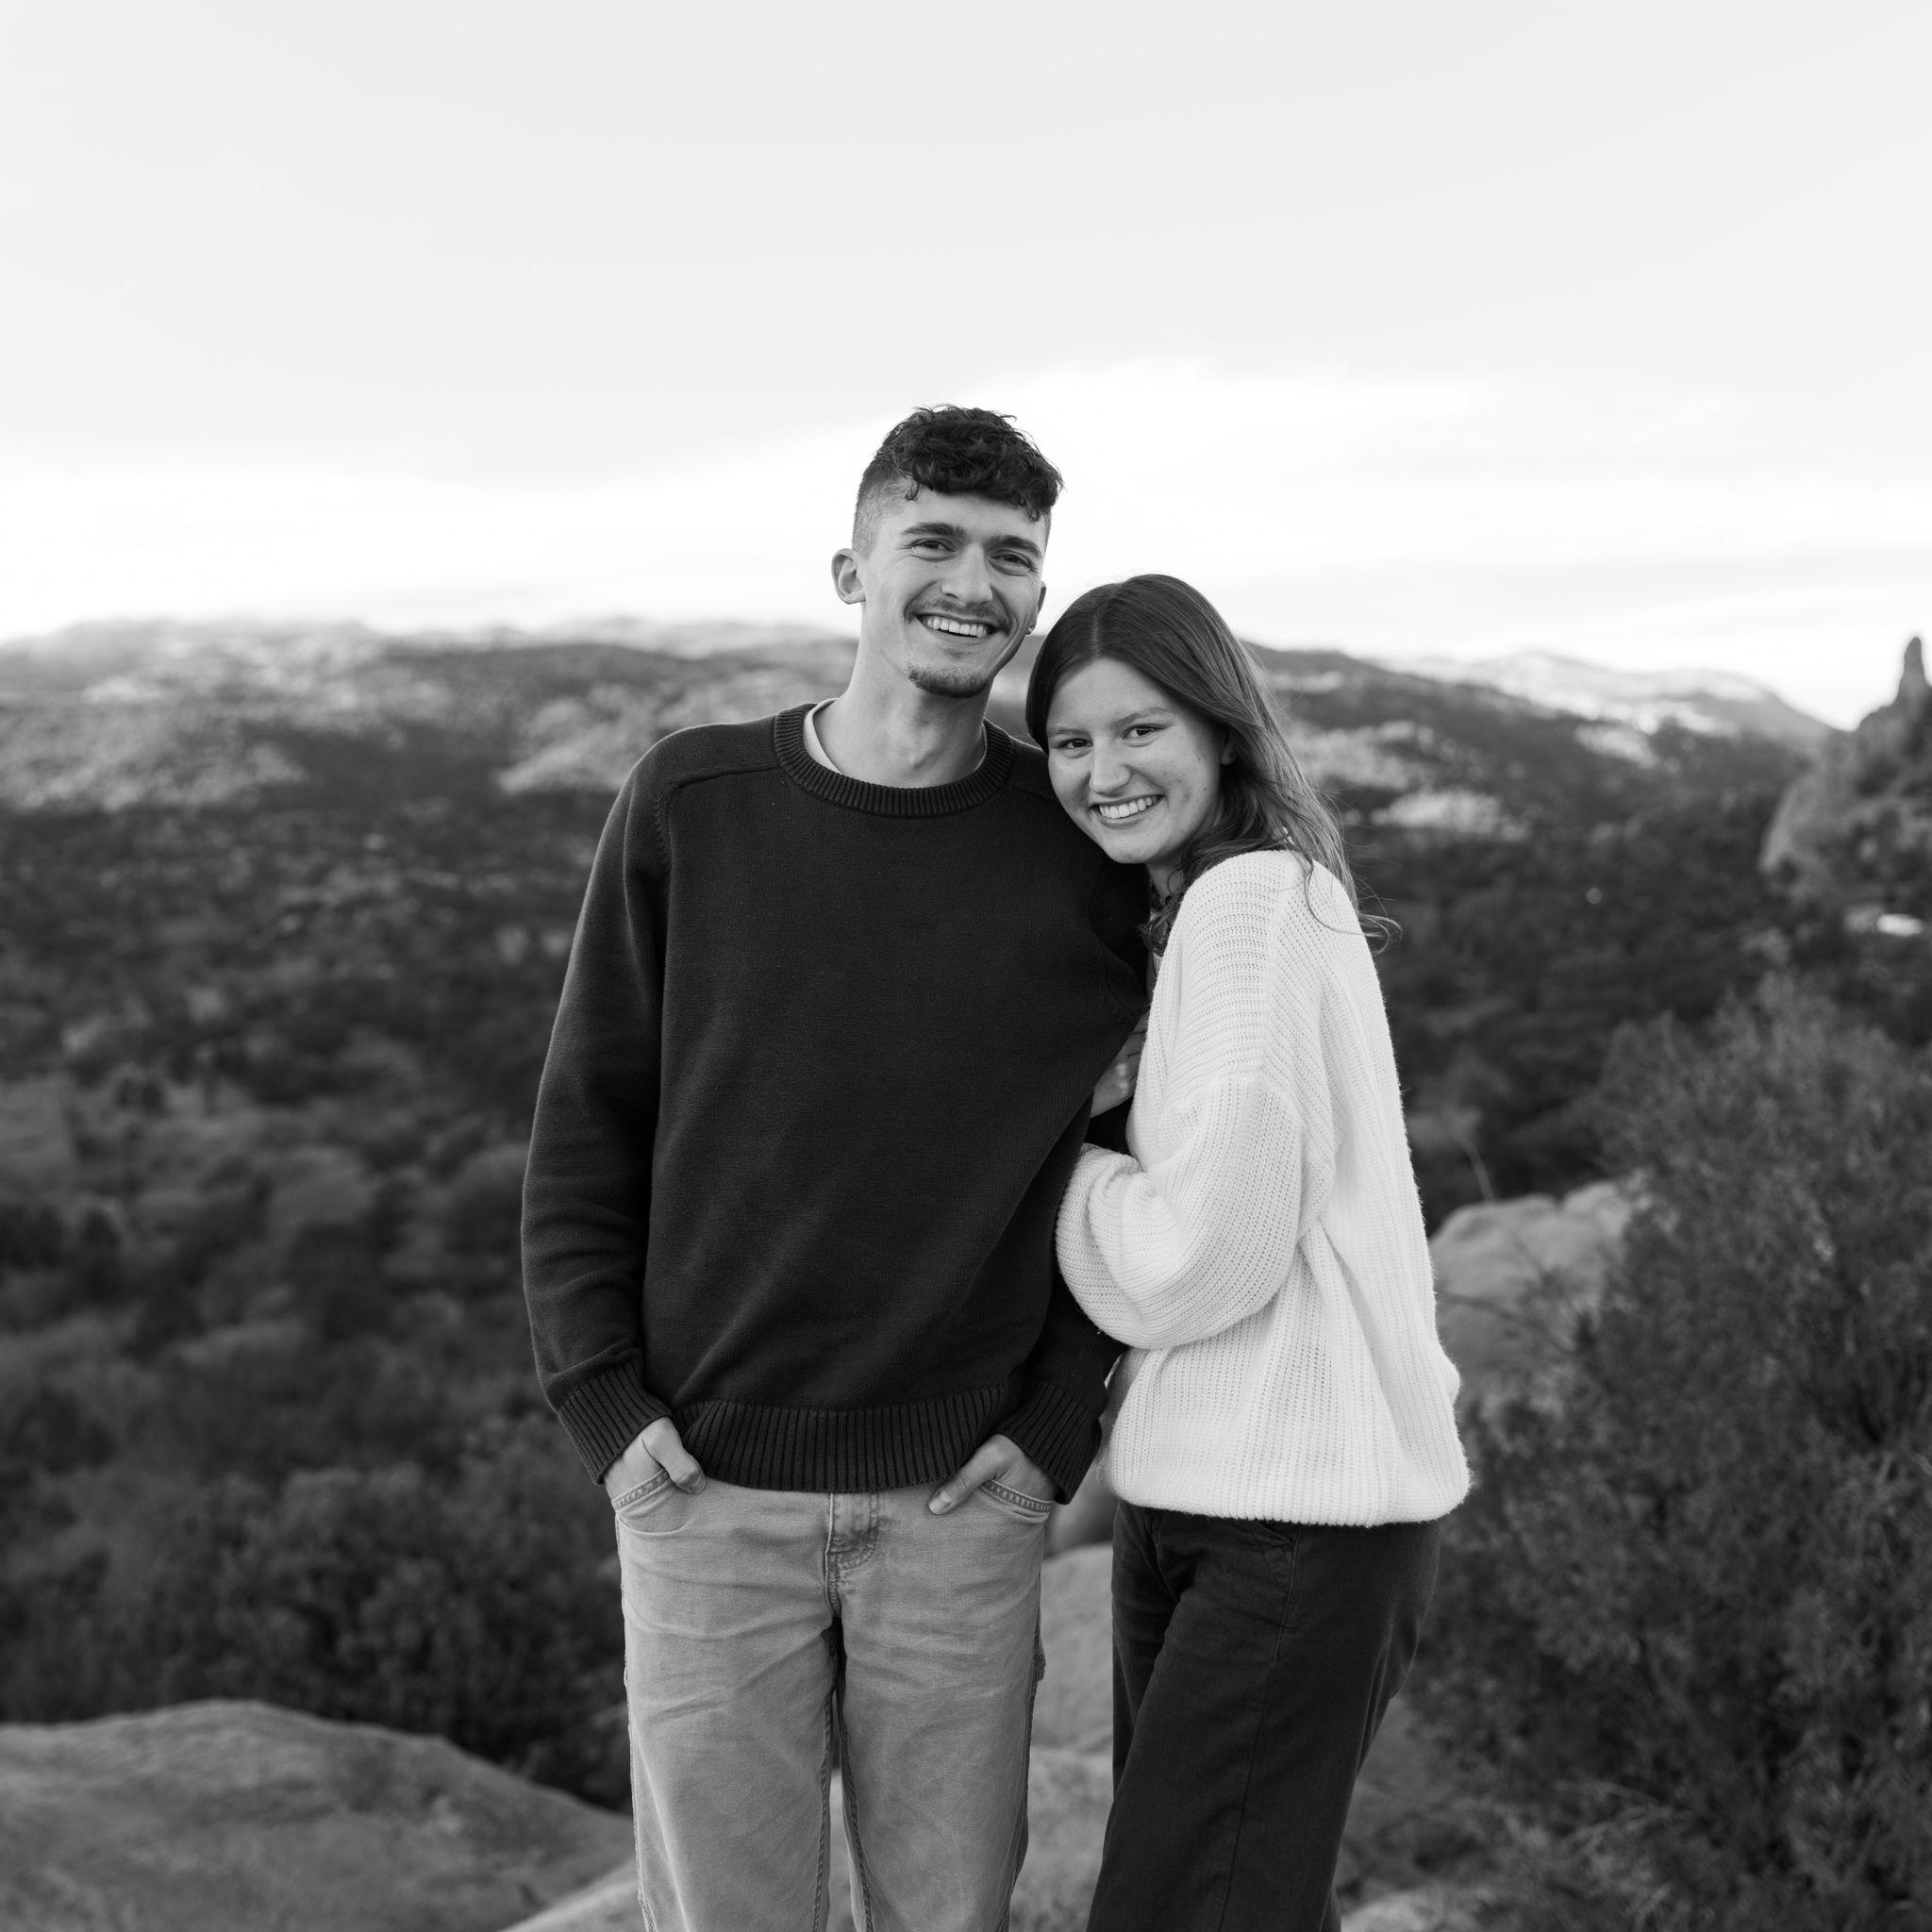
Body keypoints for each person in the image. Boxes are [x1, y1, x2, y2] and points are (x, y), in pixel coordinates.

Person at [520, 407, 1146, 1932]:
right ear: (851, 572)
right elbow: (589, 1119)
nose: (974, 584)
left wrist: (1057, 1420)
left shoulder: (1075, 847)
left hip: (962, 1508)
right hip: (704, 1495)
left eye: (1013, 557)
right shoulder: (692, 801)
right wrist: (603, 1404)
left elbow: (1133, 1150)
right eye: (933, 542)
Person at [1026, 575, 1470, 1932]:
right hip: (1208, 1496)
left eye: (1140, 730)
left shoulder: (1247, 906)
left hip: (1291, 1512)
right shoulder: (1216, 909)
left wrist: (1053, 1174)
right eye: (1071, 742)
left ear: (1220, 728)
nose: (1104, 772)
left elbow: (1203, 1256)